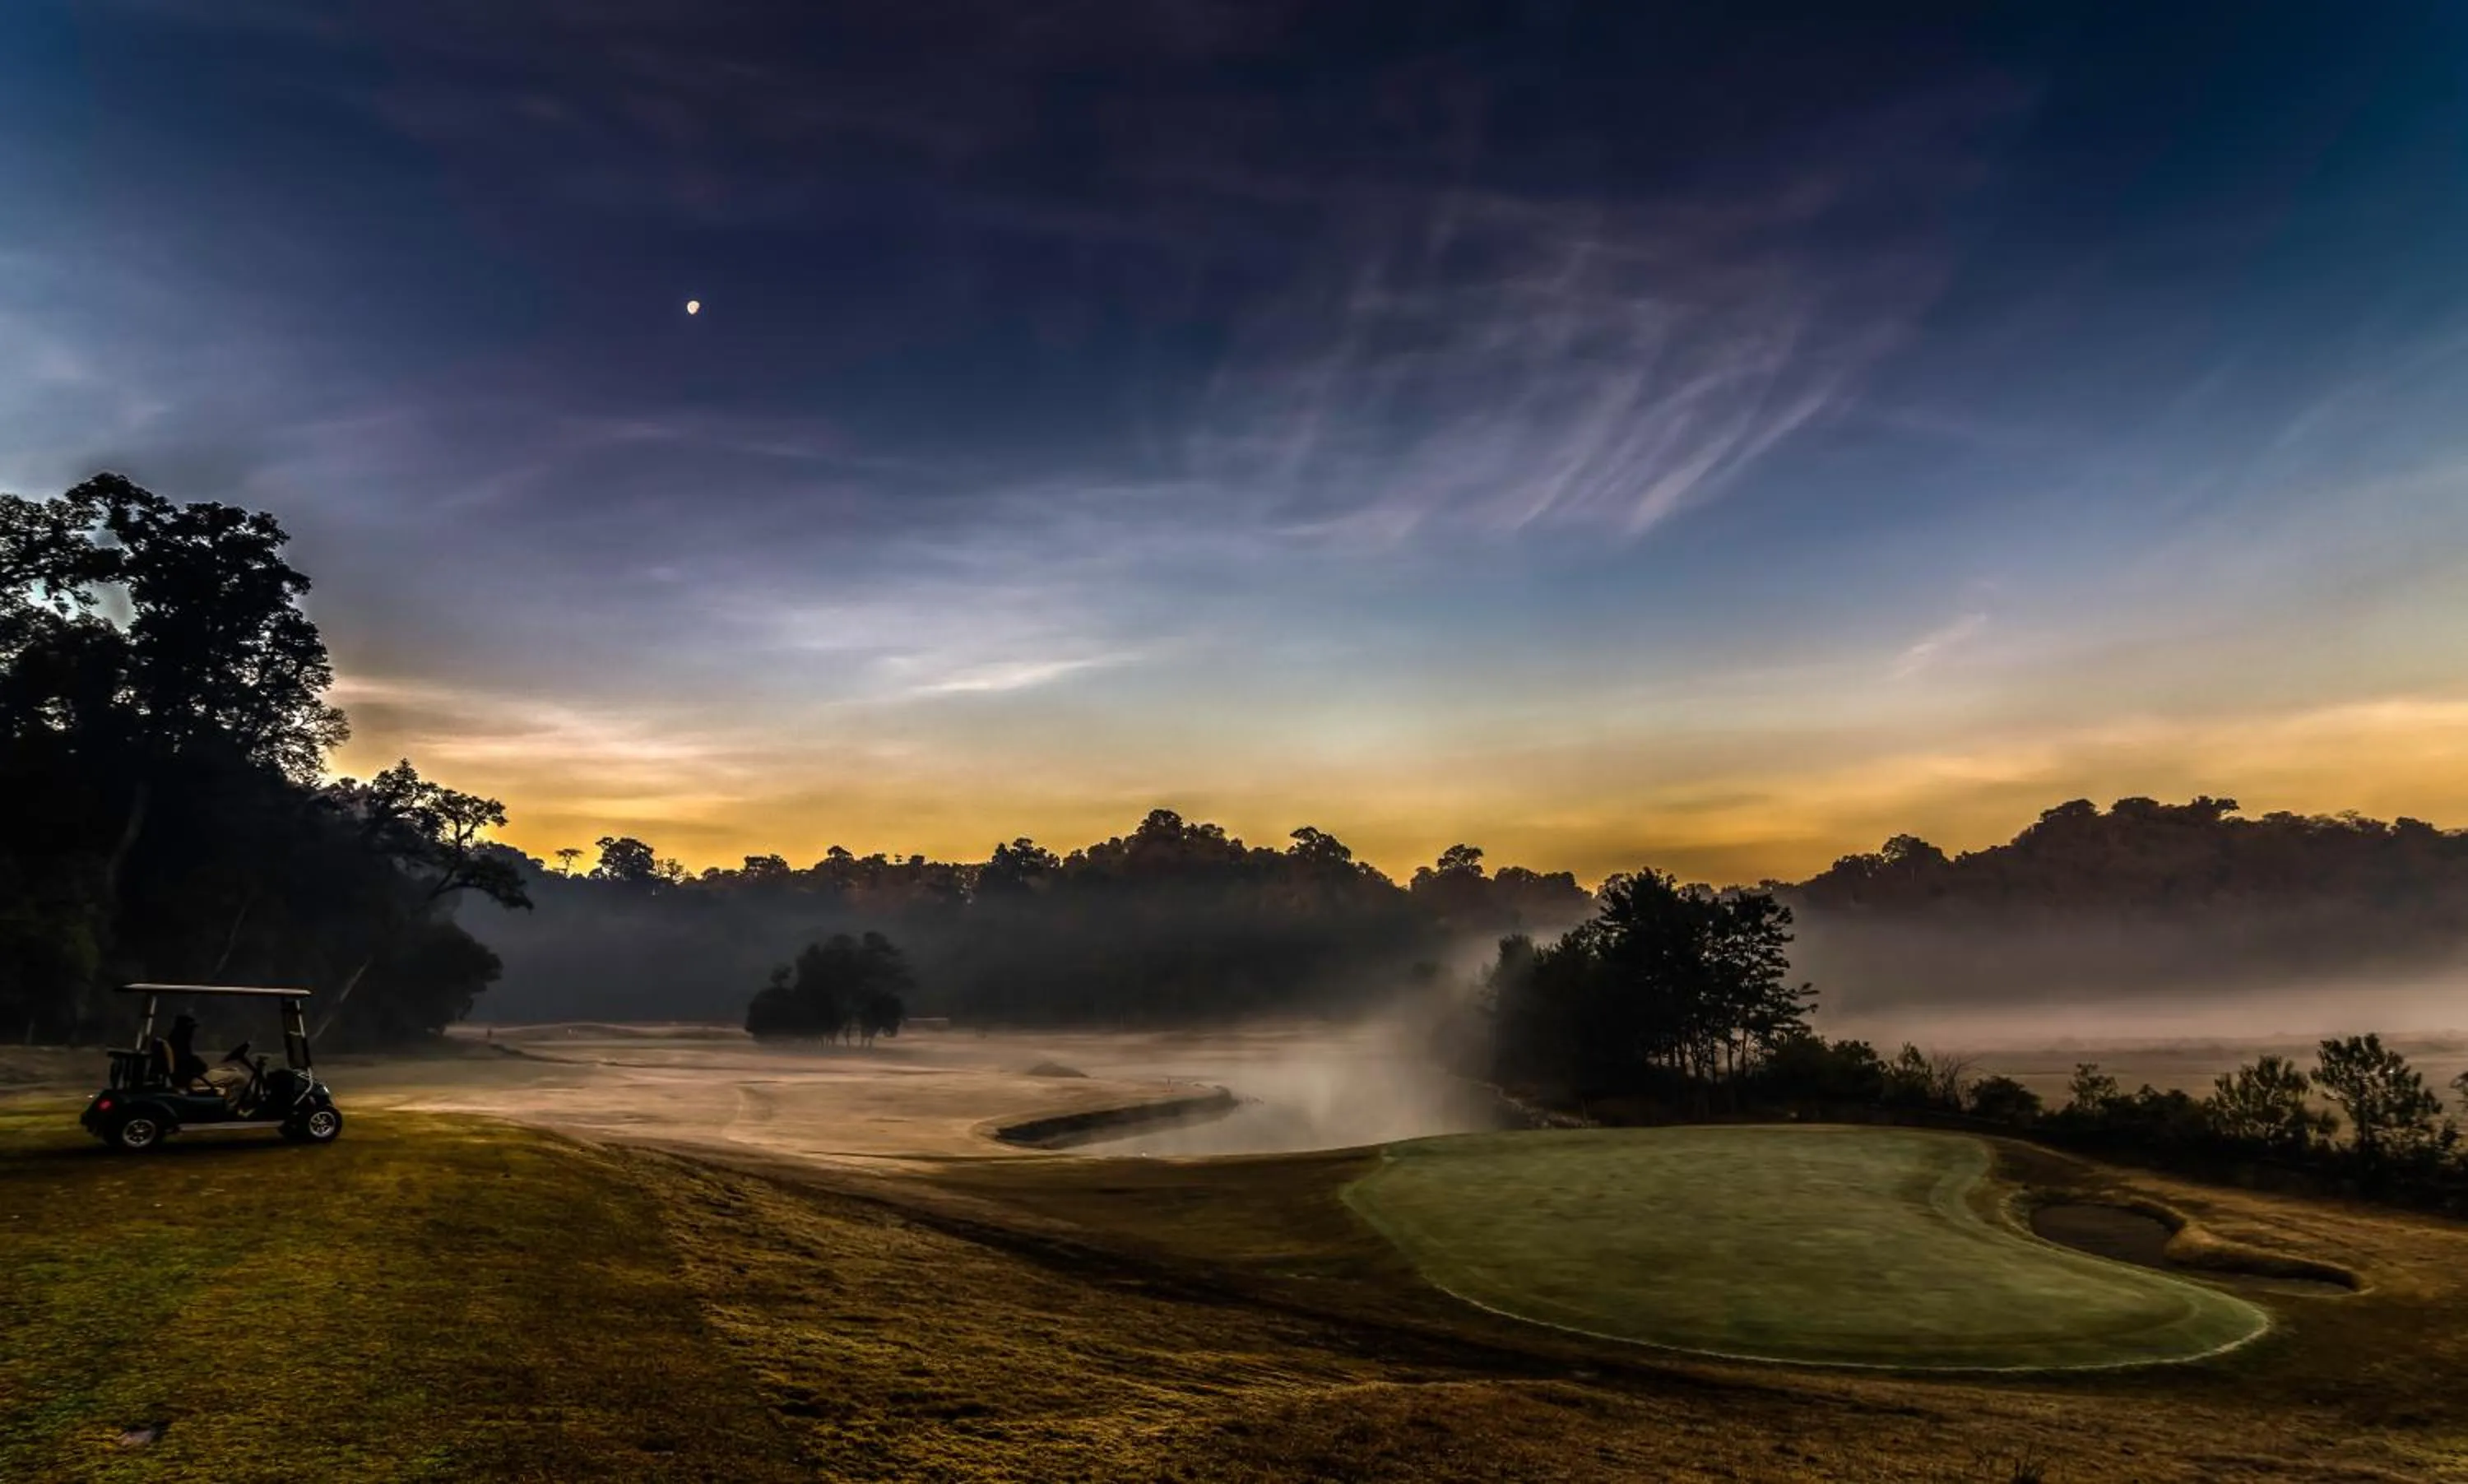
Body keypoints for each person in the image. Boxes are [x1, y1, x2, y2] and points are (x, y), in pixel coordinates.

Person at [165, 1013, 211, 1091]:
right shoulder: (179, 1040)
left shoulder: (180, 1038)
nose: (193, 1032)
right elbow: (182, 1058)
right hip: (179, 1073)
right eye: (191, 1028)